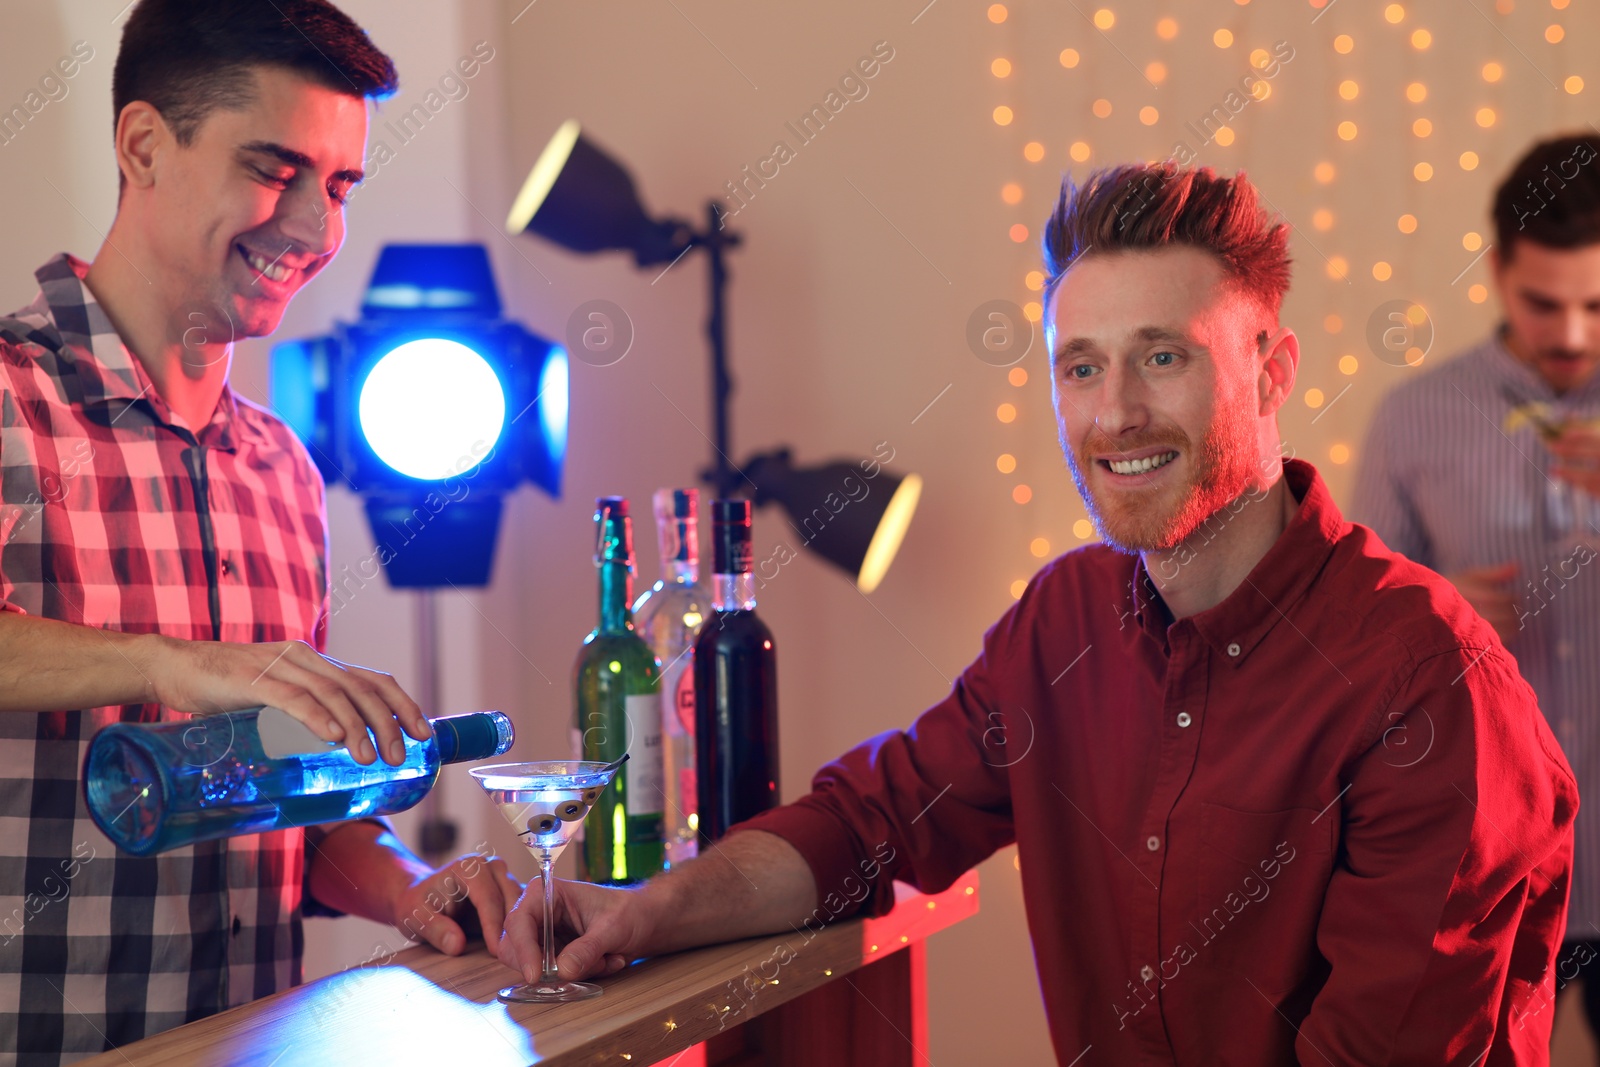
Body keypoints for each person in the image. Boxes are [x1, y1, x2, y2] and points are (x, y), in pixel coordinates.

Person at [500, 162, 1578, 1063]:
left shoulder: (1425, 680)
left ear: (1270, 370)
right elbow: (874, 822)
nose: (1115, 411)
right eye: (1081, 364)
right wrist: (641, 909)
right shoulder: (1062, 622)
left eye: (1164, 354)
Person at [0, 2, 520, 1062]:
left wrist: (413, 891)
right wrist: (171, 664)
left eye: (338, 186)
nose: (319, 230)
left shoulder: (281, 465)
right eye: (275, 170)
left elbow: (290, 797)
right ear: (144, 144)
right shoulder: (7, 394)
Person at [1354, 132, 1600, 1045]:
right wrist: (1437, 611)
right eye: (1544, 303)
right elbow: (1346, 652)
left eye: (1597, 305)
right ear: (1498, 273)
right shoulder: (1411, 419)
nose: (1572, 335)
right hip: (1484, 872)